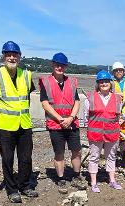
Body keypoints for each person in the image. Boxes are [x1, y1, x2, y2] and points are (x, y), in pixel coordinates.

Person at [0, 41, 38, 203]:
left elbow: (25, 98)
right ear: (3, 57)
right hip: (4, 125)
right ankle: (12, 190)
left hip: (24, 124)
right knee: (7, 159)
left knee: (26, 158)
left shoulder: (26, 75)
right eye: (8, 55)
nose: (12, 57)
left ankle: (25, 185)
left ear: (19, 57)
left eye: (15, 55)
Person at [39, 52, 86, 193]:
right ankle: (61, 179)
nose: (59, 67)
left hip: (71, 123)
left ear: (65, 66)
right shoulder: (46, 82)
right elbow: (45, 103)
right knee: (59, 153)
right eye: (57, 64)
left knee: (76, 151)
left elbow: (77, 101)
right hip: (56, 125)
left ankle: (76, 176)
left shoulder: (71, 82)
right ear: (53, 65)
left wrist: (71, 117)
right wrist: (60, 119)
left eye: (62, 65)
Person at [84, 71, 123, 193]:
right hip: (95, 134)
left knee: (111, 156)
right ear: (98, 84)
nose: (104, 83)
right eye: (101, 82)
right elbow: (86, 116)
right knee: (94, 157)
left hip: (112, 133)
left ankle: (112, 180)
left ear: (110, 83)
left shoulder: (117, 99)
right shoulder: (90, 98)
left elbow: (119, 116)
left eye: (106, 81)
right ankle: (94, 183)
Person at [111, 61, 125, 172]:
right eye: (116, 70)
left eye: (120, 70)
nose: (119, 72)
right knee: (113, 135)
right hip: (114, 112)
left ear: (123, 71)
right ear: (113, 72)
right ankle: (111, 158)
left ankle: (123, 157)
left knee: (124, 135)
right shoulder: (110, 82)